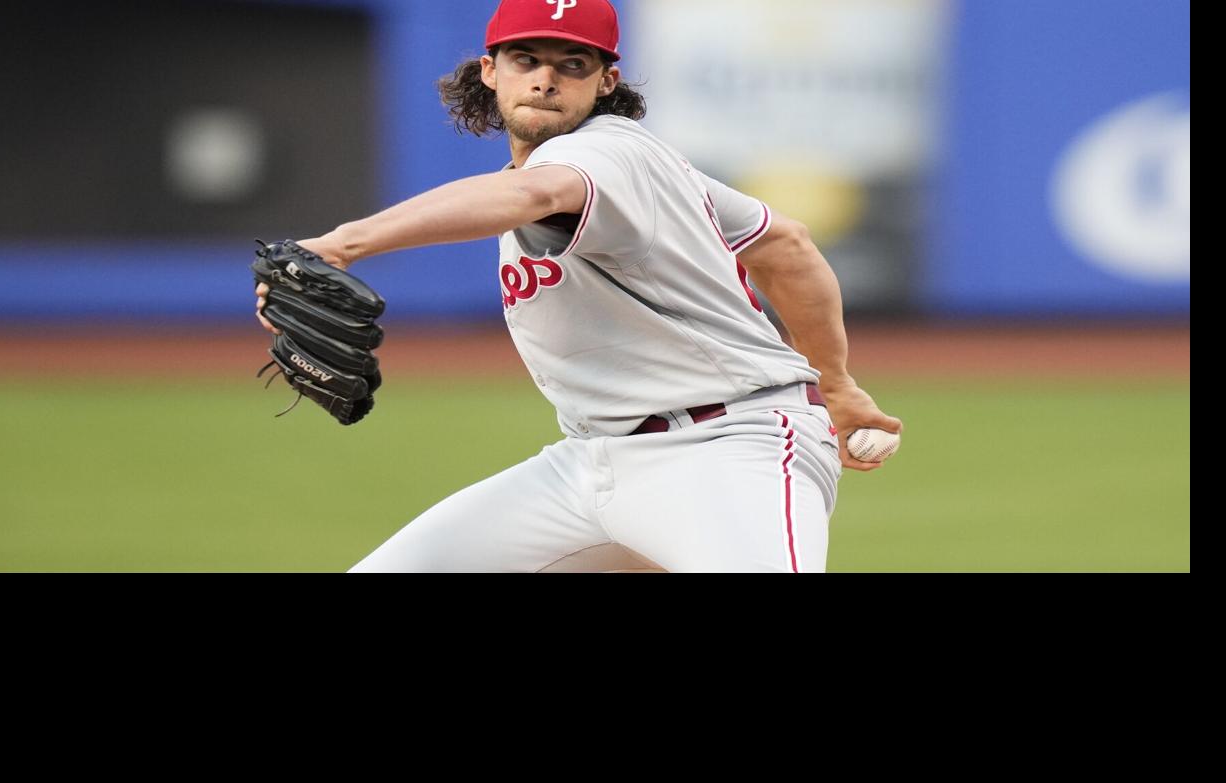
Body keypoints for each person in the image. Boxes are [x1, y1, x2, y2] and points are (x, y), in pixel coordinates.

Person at [254, 0, 900, 573]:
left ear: (605, 81)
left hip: (729, 453)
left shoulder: (605, 151)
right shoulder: (652, 168)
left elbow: (536, 193)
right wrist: (837, 384)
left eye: (572, 64)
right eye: (526, 58)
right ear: (491, 70)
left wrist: (342, 244)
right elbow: (784, 244)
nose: (545, 77)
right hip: (588, 464)